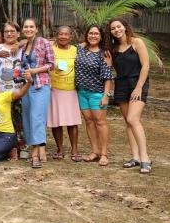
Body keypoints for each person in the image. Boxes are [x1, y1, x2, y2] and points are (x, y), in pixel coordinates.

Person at [107, 18, 151, 174]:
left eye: (118, 27)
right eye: (113, 28)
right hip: (121, 86)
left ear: (125, 27)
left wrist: (138, 88)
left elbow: (146, 65)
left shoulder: (136, 42)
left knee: (133, 119)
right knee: (128, 122)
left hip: (137, 84)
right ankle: (135, 157)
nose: (116, 30)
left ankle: (145, 158)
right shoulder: (113, 49)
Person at [75, 25, 113, 166]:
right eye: (90, 33)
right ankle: (94, 151)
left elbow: (108, 76)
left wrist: (106, 95)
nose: (93, 36)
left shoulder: (104, 54)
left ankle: (104, 154)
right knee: (89, 121)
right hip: (81, 92)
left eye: (96, 34)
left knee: (100, 122)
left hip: (97, 93)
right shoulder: (80, 49)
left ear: (101, 36)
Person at [19, 18, 54, 168]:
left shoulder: (44, 42)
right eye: (26, 27)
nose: (28, 29)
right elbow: (22, 66)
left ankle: (35, 154)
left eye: (31, 26)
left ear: (36, 29)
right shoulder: (23, 45)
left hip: (41, 85)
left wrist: (34, 71)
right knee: (27, 118)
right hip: (27, 86)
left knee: (37, 117)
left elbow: (52, 64)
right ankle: (39, 149)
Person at [0, 72, 32, 166]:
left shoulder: (5, 96)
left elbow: (20, 93)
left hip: (6, 135)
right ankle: (6, 152)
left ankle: (7, 151)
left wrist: (29, 82)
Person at [48, 26, 82, 161]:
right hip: (54, 89)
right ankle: (60, 149)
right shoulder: (50, 49)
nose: (63, 37)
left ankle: (74, 149)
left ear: (71, 37)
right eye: (60, 34)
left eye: (66, 34)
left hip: (71, 89)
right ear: (56, 36)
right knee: (56, 121)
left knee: (72, 121)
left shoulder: (76, 50)